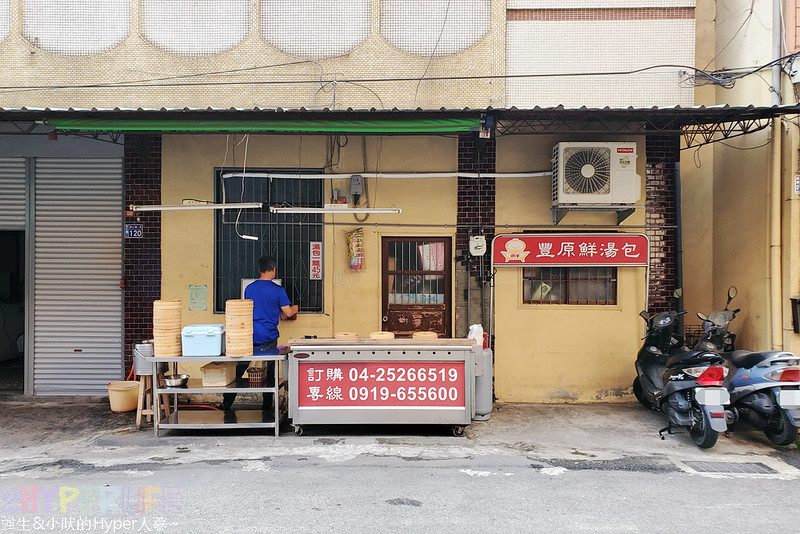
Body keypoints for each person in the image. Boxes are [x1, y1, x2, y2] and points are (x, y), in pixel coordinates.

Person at [221, 255, 298, 412]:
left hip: (249, 335)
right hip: (268, 337)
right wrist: (295, 307)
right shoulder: (278, 290)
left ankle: (226, 403)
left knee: (239, 370)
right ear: (274, 270)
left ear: (259, 270)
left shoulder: (249, 288)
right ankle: (267, 408)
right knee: (270, 372)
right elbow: (288, 313)